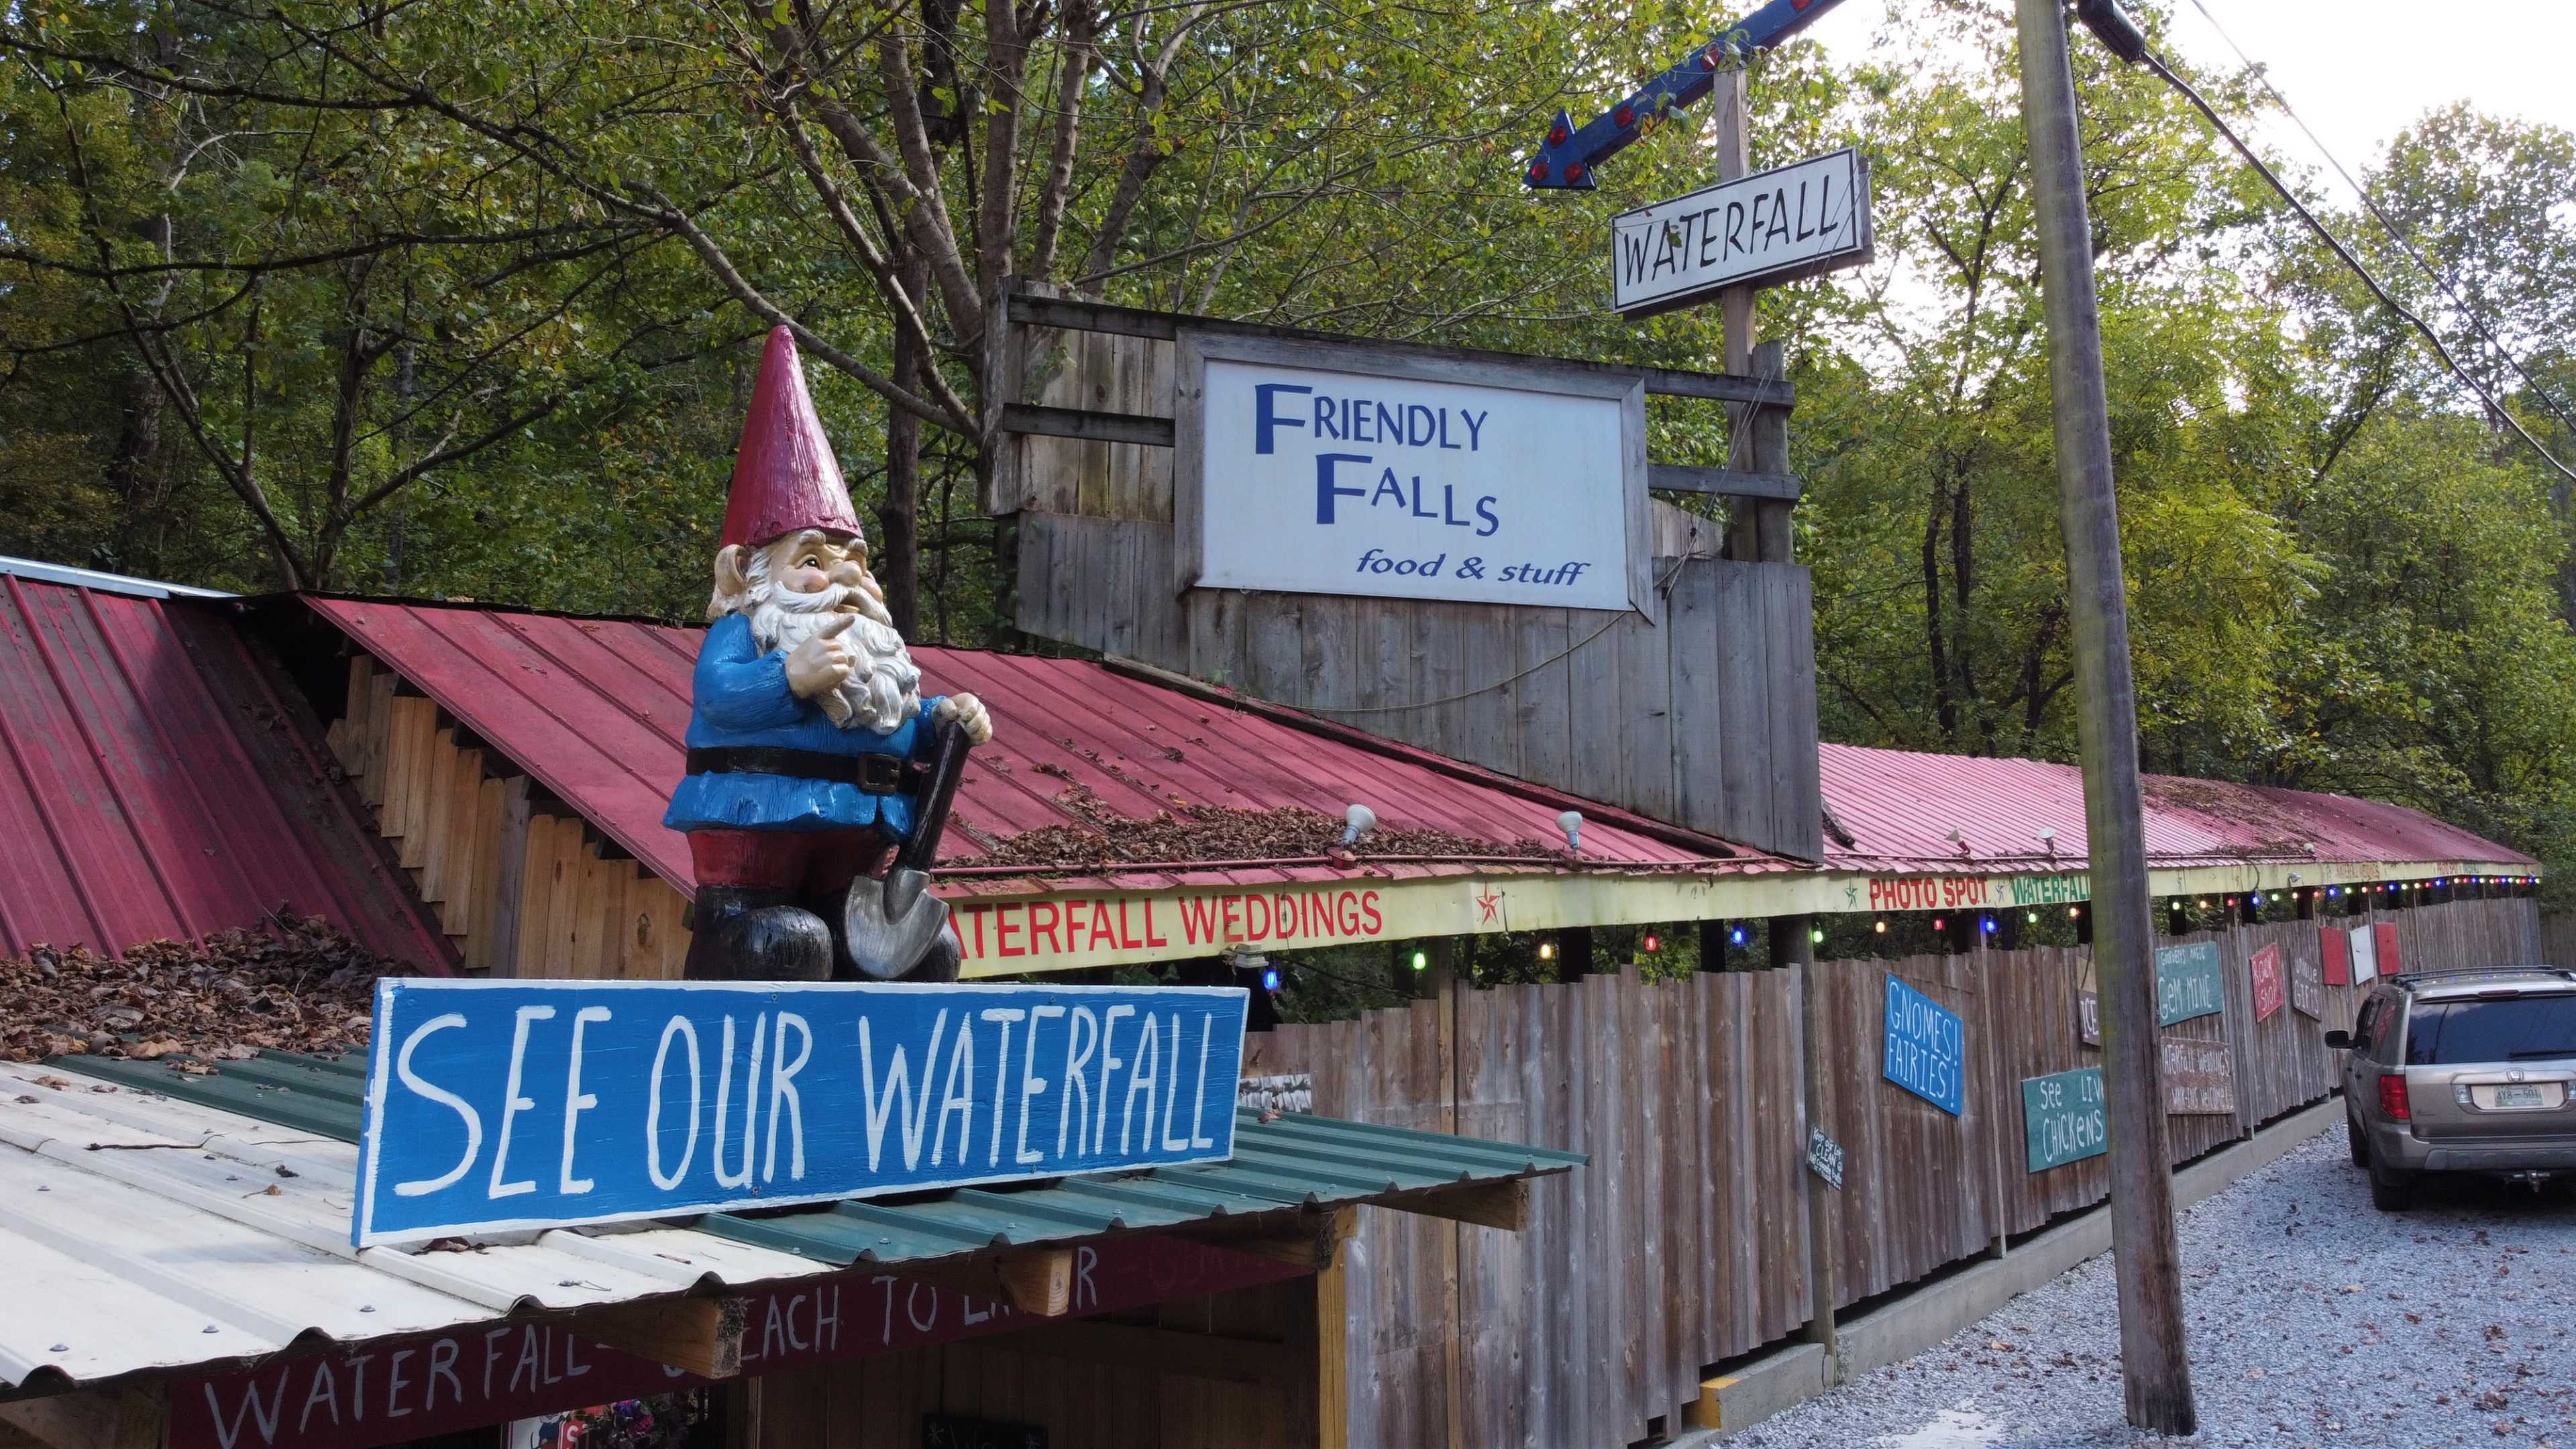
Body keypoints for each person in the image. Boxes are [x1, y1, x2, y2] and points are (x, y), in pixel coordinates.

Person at [663, 328, 991, 981]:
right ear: (744, 576)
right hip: (759, 834)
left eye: (855, 563)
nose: (843, 577)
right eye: (813, 560)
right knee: (785, 943)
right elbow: (718, 695)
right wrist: (786, 676)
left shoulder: (873, 648)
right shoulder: (748, 629)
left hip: (860, 850)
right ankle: (736, 936)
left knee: (929, 957)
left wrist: (938, 720)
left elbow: (888, 712)